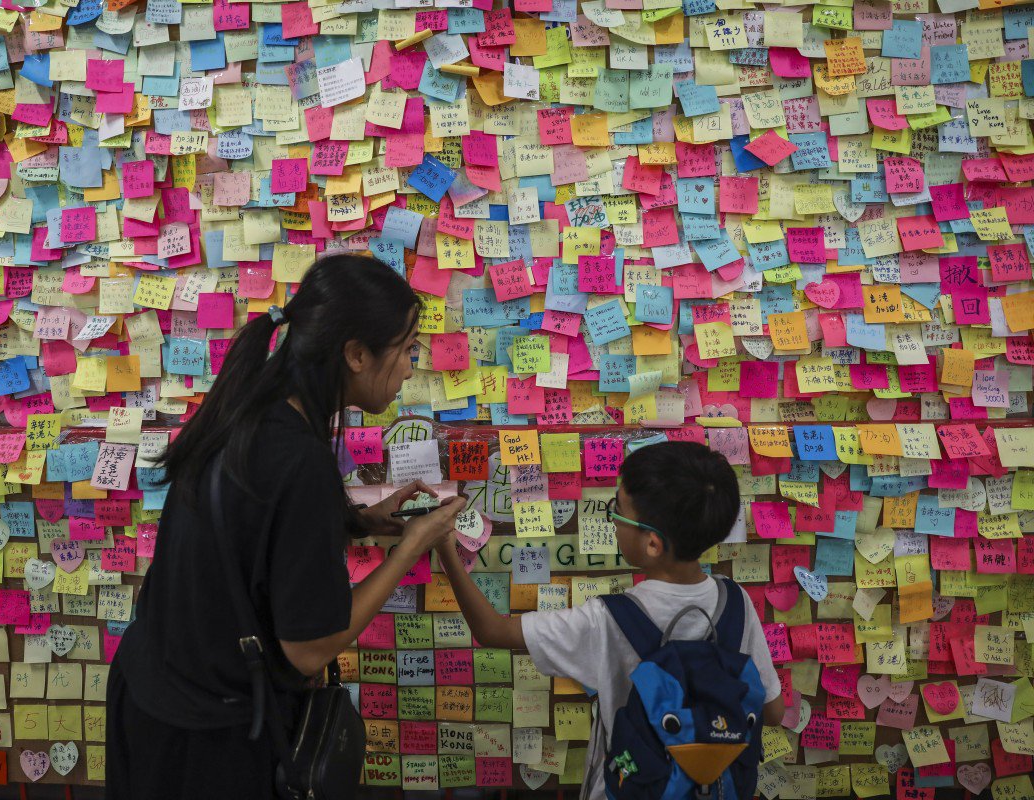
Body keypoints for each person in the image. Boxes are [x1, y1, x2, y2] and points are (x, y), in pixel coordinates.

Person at [106, 254, 466, 799]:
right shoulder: (300, 459)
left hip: (151, 690)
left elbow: (253, 525)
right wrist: (411, 547)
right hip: (207, 738)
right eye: (407, 349)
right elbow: (310, 650)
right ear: (356, 354)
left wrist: (358, 520)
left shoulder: (251, 405)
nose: (412, 367)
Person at [436, 440, 784, 800]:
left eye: (618, 509)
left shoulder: (607, 620)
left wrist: (445, 545)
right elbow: (772, 710)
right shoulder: (736, 603)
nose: (613, 519)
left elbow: (491, 630)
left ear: (652, 543)